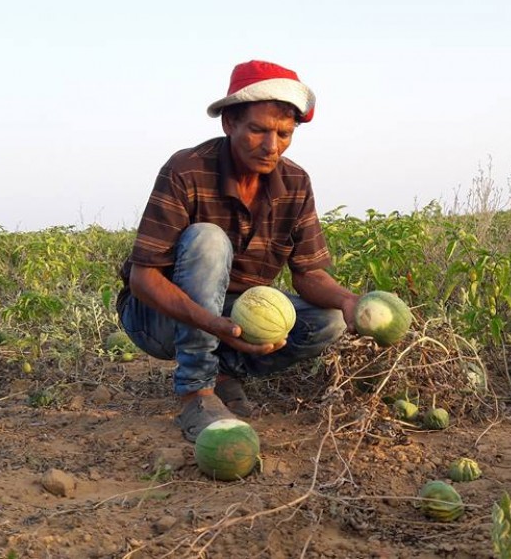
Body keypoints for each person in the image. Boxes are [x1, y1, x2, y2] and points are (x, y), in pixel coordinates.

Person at [116, 60, 360, 442]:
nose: (271, 146)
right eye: (258, 130)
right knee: (208, 239)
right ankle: (197, 392)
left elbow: (308, 274)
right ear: (229, 123)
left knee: (330, 321)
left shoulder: (295, 182)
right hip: (157, 318)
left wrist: (349, 301)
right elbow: (143, 278)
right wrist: (214, 325)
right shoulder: (187, 169)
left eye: (284, 133)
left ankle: (225, 372)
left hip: (232, 315)